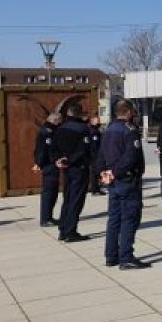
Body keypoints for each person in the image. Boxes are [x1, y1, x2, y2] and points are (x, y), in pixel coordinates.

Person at [96, 99, 150, 270]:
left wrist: (104, 172)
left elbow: (101, 155)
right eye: (133, 111)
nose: (134, 114)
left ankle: (111, 256)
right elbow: (130, 157)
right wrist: (117, 172)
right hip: (126, 179)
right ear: (127, 112)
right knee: (129, 218)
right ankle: (126, 257)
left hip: (113, 180)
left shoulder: (109, 129)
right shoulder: (129, 130)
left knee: (114, 219)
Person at [50, 103, 92, 242]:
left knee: (67, 199)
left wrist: (58, 159)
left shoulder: (60, 129)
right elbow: (83, 150)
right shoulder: (83, 129)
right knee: (76, 200)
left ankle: (63, 229)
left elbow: (53, 147)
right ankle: (71, 231)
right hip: (78, 167)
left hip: (66, 168)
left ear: (68, 113)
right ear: (79, 114)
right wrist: (70, 160)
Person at [32, 112, 62, 227]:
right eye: (59, 121)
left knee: (53, 192)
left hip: (52, 165)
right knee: (48, 193)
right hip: (49, 165)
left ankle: (49, 216)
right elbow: (42, 150)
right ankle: (45, 219)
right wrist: (38, 163)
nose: (60, 123)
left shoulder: (51, 131)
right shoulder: (46, 132)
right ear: (55, 120)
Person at [87, 115, 106, 196]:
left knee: (97, 172)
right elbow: (95, 145)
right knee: (94, 173)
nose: (99, 122)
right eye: (97, 121)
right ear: (92, 122)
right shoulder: (93, 131)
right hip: (95, 155)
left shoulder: (95, 130)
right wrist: (98, 155)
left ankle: (97, 189)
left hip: (96, 155)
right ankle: (94, 190)